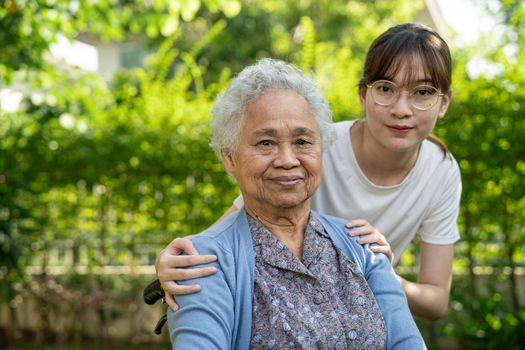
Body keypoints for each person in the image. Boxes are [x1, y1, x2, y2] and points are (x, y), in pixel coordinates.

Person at [158, 22, 461, 321]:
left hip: (361, 314)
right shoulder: (313, 146)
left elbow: (436, 300)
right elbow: (241, 217)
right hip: (277, 306)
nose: (402, 109)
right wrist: (177, 259)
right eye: (385, 88)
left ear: (443, 102)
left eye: (422, 92)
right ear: (362, 94)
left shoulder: (441, 171)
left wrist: (378, 273)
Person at [167, 58, 424, 349]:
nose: (288, 160)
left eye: (302, 142)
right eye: (266, 143)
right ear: (229, 157)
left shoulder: (362, 247)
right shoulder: (202, 262)